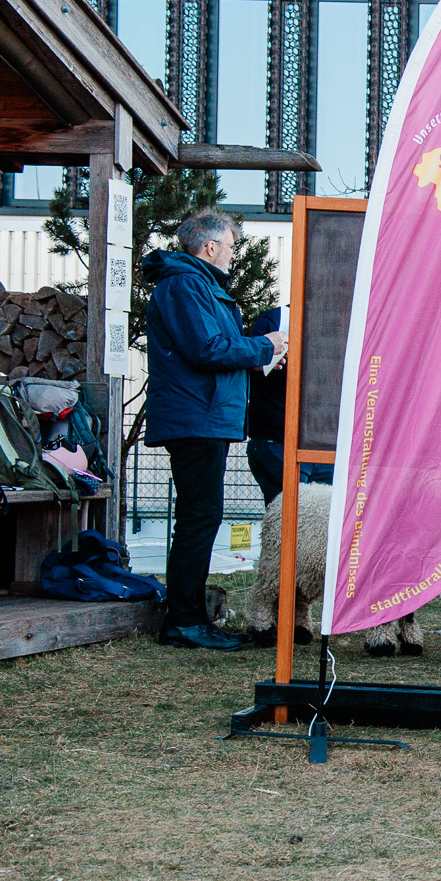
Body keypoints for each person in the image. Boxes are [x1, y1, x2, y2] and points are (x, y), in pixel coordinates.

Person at [141, 210, 288, 651]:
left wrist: (258, 356)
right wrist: (266, 345)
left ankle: (189, 616)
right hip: (195, 420)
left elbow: (216, 349)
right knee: (198, 518)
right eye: (230, 246)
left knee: (200, 516)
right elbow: (208, 349)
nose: (232, 254)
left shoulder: (196, 285)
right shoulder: (186, 285)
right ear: (210, 247)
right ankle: (184, 622)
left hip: (203, 418)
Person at [242, 305, 332, 504]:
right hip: (279, 441)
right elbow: (251, 371)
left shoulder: (337, 323)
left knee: (321, 523)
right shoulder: (278, 320)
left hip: (324, 445)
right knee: (288, 520)